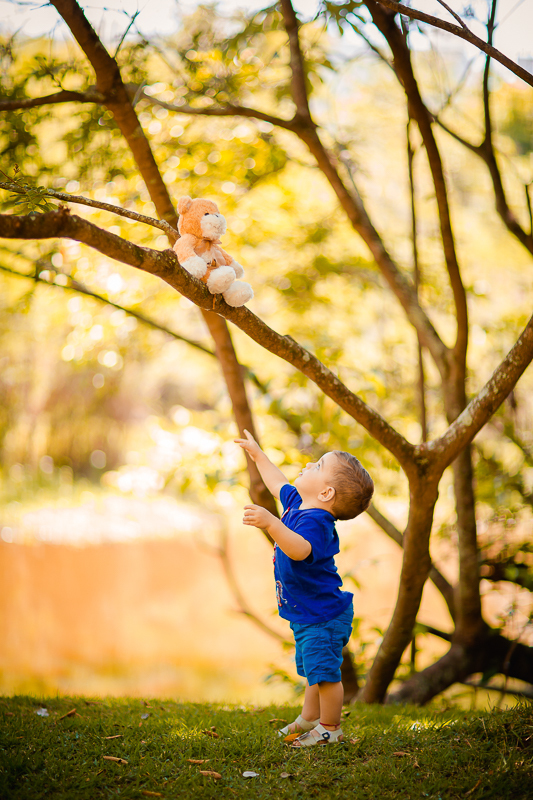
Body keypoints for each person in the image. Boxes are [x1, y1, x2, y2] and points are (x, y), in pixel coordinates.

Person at [235, 429, 374, 747]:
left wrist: (272, 524)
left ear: (325, 494)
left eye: (318, 466)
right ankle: (309, 719)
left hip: (322, 615)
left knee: (325, 674)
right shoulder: (298, 506)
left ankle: (330, 729)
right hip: (310, 613)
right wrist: (258, 455)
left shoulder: (317, 525)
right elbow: (277, 482)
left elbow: (299, 550)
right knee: (315, 670)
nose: (309, 463)